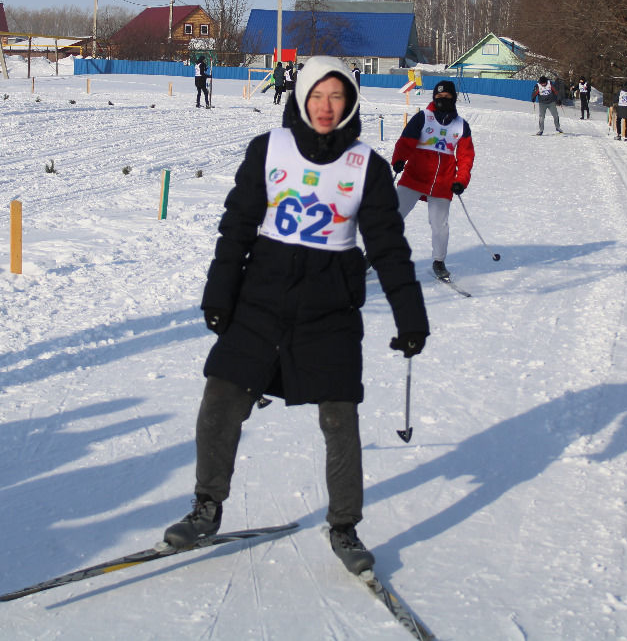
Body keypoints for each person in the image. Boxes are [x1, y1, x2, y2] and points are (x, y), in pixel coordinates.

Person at [164, 56, 430, 575]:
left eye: (337, 97)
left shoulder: (366, 167)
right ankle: (206, 507)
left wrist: (411, 318)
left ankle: (345, 526)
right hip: (260, 300)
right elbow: (236, 226)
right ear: (301, 97)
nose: (326, 107)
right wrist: (220, 293)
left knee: (339, 416)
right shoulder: (269, 149)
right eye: (316, 96)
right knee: (221, 398)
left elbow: (390, 248)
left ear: (350, 102)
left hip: (328, 310)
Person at [391, 79, 475, 280]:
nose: (442, 100)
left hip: (442, 182)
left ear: (453, 98)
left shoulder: (461, 126)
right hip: (414, 177)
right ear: (433, 98)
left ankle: (439, 261)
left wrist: (460, 181)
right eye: (438, 97)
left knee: (440, 226)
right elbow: (405, 142)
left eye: (446, 97)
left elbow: (466, 157)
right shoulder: (423, 118)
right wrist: (399, 159)